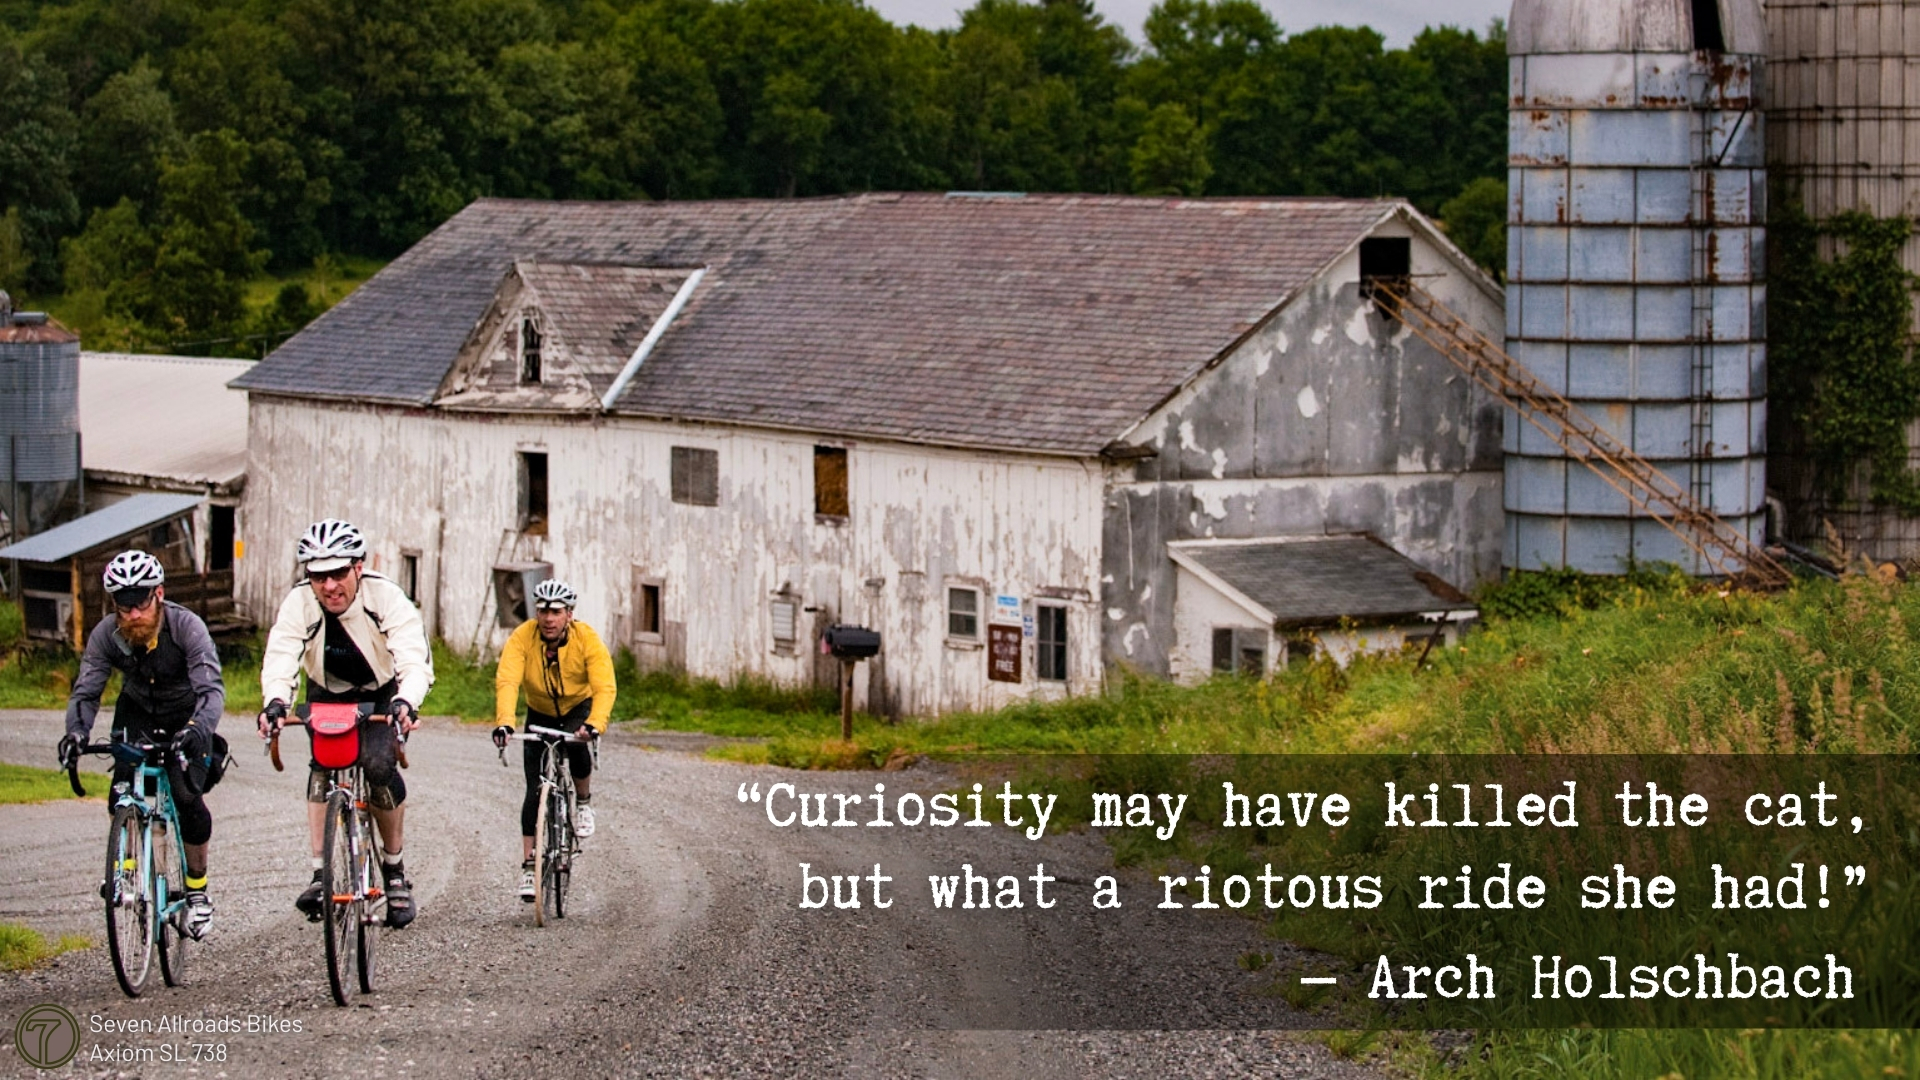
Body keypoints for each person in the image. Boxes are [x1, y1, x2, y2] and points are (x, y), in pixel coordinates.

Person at [256, 519, 433, 928]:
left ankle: (394, 871)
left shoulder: (384, 596)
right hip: (328, 689)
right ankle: (322, 874)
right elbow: (282, 654)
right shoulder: (299, 602)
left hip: (382, 690)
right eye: (319, 576)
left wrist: (406, 700)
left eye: (338, 573)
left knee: (378, 766)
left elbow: (411, 655)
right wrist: (275, 702)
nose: (330, 586)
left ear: (358, 567)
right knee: (323, 766)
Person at [59, 551, 225, 939]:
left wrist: (199, 727)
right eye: (124, 605)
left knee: (186, 799)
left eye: (141, 602)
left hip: (186, 713)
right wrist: (76, 733)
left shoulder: (187, 627)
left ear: (159, 595)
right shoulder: (106, 635)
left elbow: (211, 689)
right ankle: (127, 868)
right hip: (136, 713)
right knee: (121, 791)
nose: (134, 614)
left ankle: (198, 893)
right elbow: (87, 690)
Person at [490, 578, 614, 902]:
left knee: (577, 744)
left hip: (576, 707)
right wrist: (504, 723)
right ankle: (530, 867)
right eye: (543, 610)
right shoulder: (523, 638)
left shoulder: (586, 639)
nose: (548, 618)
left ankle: (584, 803)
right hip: (540, 711)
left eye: (556, 611)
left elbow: (604, 686)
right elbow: (508, 680)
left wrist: (595, 723)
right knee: (534, 790)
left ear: (569, 614)